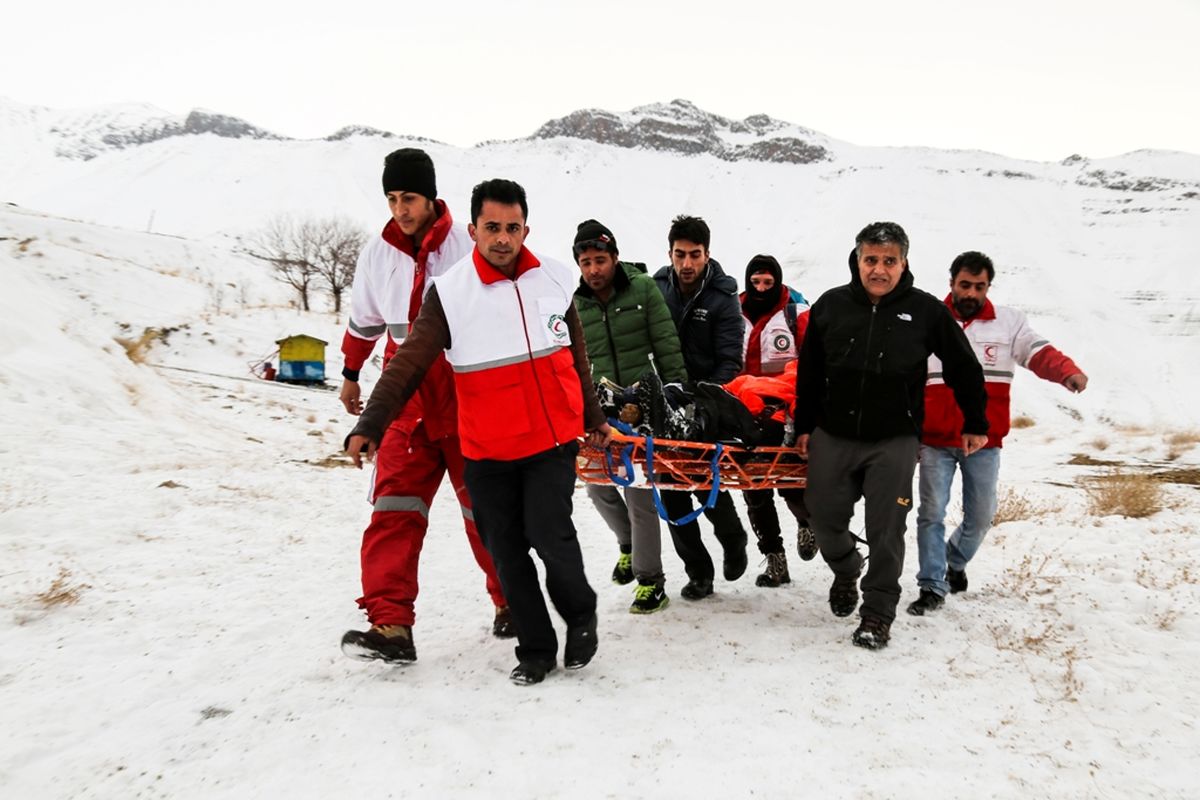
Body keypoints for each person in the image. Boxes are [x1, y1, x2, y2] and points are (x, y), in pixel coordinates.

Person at [346, 178, 612, 686]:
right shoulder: (450, 294)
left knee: (550, 535)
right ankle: (536, 649)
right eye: (492, 227)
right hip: (487, 450)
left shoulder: (556, 279)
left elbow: (576, 357)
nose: (503, 239)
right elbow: (408, 365)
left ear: (526, 228)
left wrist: (594, 419)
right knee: (506, 550)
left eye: (512, 228)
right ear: (473, 231)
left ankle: (580, 616)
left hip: (550, 442)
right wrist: (372, 422)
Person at [338, 149, 512, 668]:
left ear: (430, 196)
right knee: (393, 510)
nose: (400, 209)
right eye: (392, 199)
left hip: (465, 395)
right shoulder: (378, 253)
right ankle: (390, 626)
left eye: (408, 198)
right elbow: (365, 321)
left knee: (486, 513)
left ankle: (512, 603)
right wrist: (350, 375)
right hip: (404, 398)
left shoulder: (469, 244)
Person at [794, 221, 988, 650]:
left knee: (887, 528)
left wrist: (975, 420)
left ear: (903, 263)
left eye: (889, 261)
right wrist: (804, 426)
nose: (879, 270)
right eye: (871, 260)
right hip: (834, 432)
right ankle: (846, 568)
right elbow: (809, 372)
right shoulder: (831, 305)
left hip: (894, 438)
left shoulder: (925, 311)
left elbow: (964, 366)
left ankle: (877, 614)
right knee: (821, 516)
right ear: (857, 260)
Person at [907, 251, 1088, 616]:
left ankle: (952, 564)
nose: (971, 293)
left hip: (984, 442)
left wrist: (1066, 371)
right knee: (931, 514)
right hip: (935, 440)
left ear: (988, 286)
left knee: (981, 515)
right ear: (952, 283)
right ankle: (932, 585)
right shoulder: (929, 320)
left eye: (979, 286)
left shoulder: (1008, 323)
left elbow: (1038, 352)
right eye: (964, 285)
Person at [572, 219, 688, 614]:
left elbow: (666, 340)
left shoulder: (642, 288)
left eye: (600, 260)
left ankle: (650, 580)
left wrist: (675, 390)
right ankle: (627, 543)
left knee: (638, 493)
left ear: (615, 258)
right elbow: (574, 360)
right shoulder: (576, 303)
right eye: (585, 262)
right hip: (600, 410)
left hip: (645, 406)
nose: (593, 270)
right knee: (596, 486)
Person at [652, 215, 749, 600]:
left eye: (695, 255)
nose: (687, 263)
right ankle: (698, 573)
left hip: (707, 403)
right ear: (670, 254)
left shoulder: (724, 299)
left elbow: (730, 361)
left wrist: (702, 396)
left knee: (705, 480)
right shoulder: (656, 289)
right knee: (670, 487)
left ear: (708, 254)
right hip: (664, 401)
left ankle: (733, 538)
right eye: (680, 255)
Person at [735, 254, 817, 588]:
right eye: (756, 282)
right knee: (753, 488)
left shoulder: (795, 315)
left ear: (778, 283)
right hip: (742, 411)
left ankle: (807, 523)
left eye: (768, 283)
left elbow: (813, 362)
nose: (761, 288)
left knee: (788, 483)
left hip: (783, 413)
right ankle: (775, 561)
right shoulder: (732, 311)